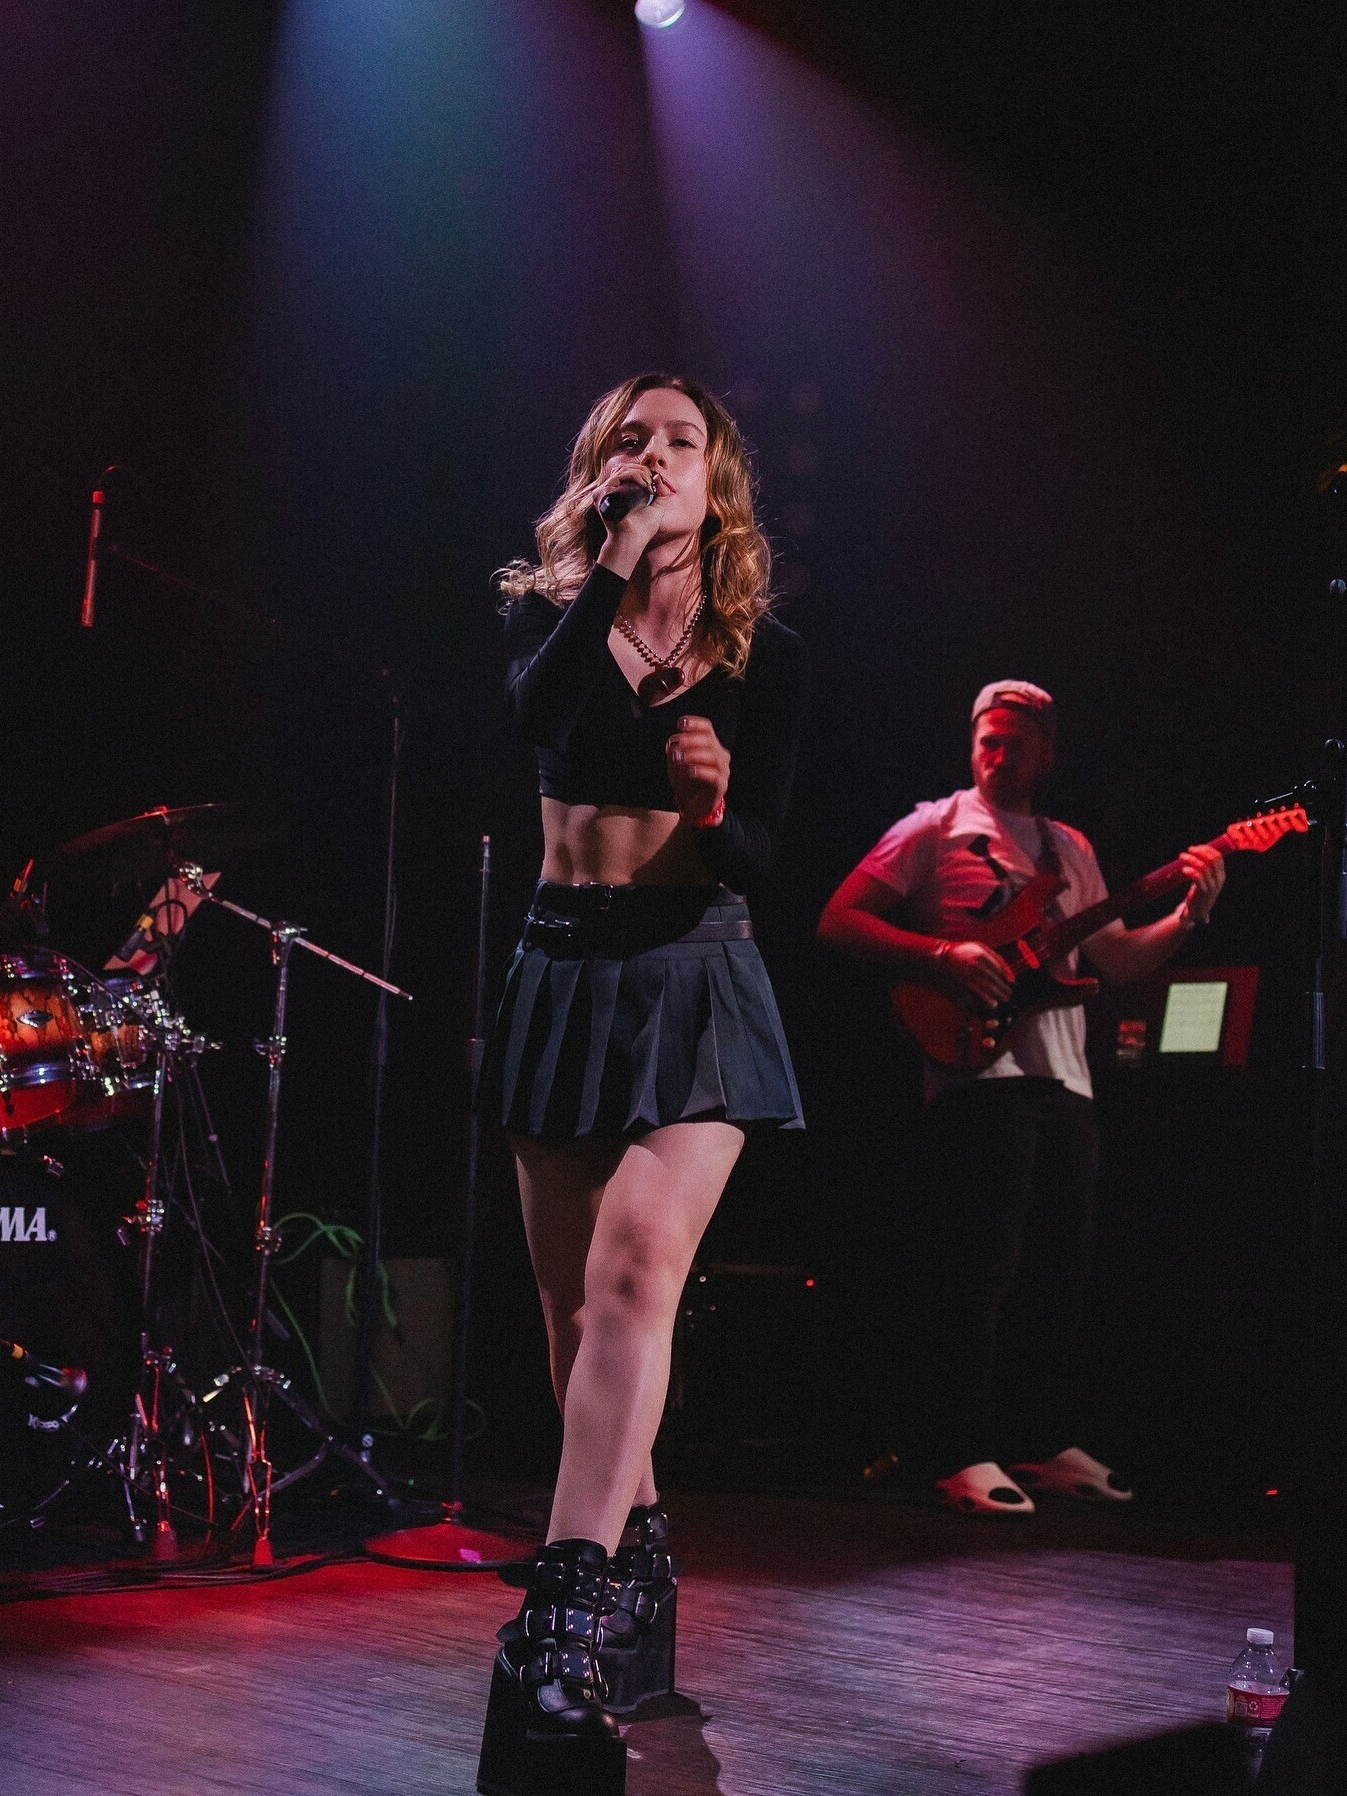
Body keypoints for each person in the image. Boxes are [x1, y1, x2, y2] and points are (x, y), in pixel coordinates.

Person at [475, 373, 807, 1794]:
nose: (657, 455)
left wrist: (718, 811)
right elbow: (539, 715)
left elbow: (770, 857)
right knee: (571, 1317)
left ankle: (558, 1621)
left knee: (630, 1278)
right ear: (598, 468)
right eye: (634, 438)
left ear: (717, 481)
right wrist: (608, 562)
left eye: (683, 441)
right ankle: (640, 1554)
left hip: (693, 973)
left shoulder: (761, 653)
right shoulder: (548, 613)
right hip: (561, 970)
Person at [817, 680, 1225, 1516]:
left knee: (1058, 1271)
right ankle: (959, 1449)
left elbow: (1114, 959)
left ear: (1047, 753)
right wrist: (943, 956)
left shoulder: (1068, 848)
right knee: (979, 1268)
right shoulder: (933, 827)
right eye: (987, 741)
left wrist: (1187, 916)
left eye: (1015, 744)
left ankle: (1038, 1439)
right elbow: (841, 920)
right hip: (977, 1073)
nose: (998, 757)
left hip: (1065, 1075)